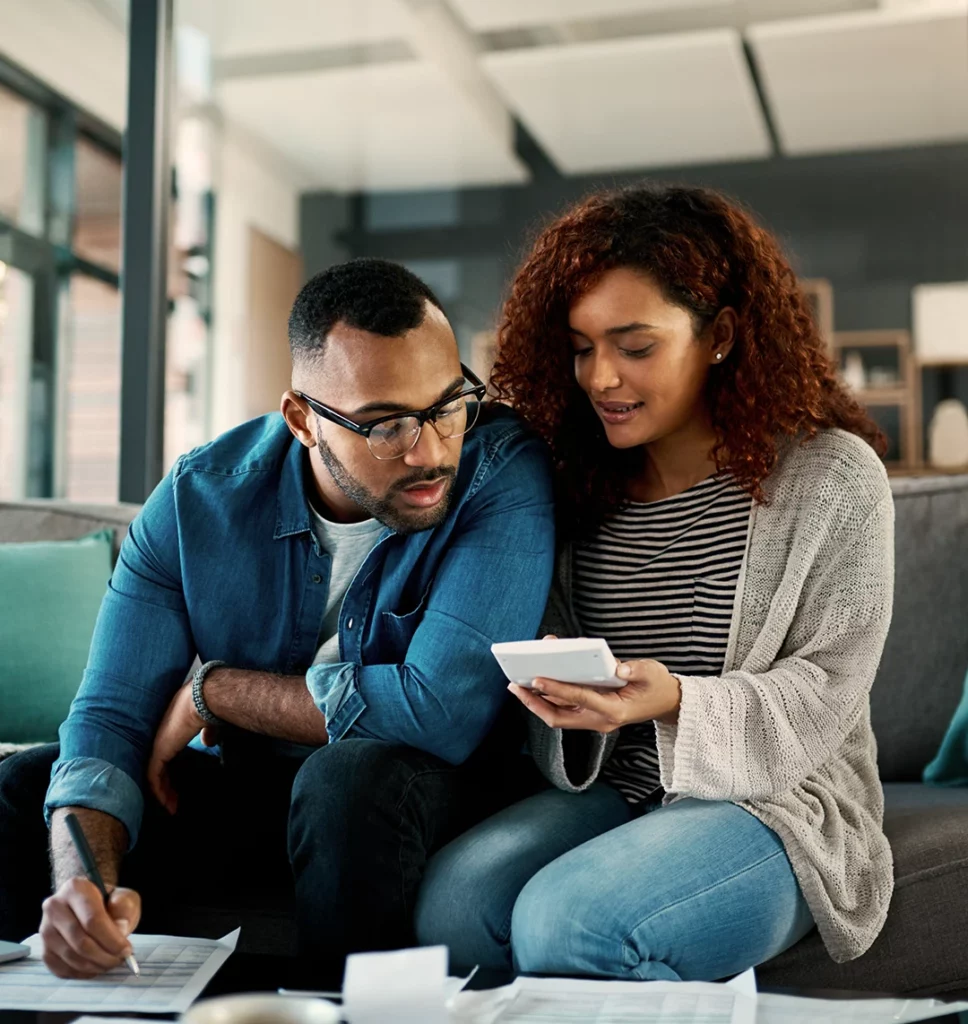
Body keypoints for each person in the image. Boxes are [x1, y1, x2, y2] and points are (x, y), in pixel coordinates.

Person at [0, 258, 555, 978]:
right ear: (302, 420)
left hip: (424, 793)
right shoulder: (200, 498)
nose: (430, 451)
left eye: (447, 406)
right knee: (26, 789)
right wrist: (84, 882)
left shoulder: (500, 471)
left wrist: (218, 690)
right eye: (384, 425)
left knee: (347, 781)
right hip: (260, 789)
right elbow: (110, 715)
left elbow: (441, 710)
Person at [415, 185, 895, 981]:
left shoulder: (831, 481)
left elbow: (823, 692)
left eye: (635, 346)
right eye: (580, 347)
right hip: (622, 789)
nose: (601, 377)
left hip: (778, 806)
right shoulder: (573, 487)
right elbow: (566, 722)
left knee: (569, 923)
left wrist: (674, 698)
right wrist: (559, 694)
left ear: (721, 336)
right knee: (454, 906)